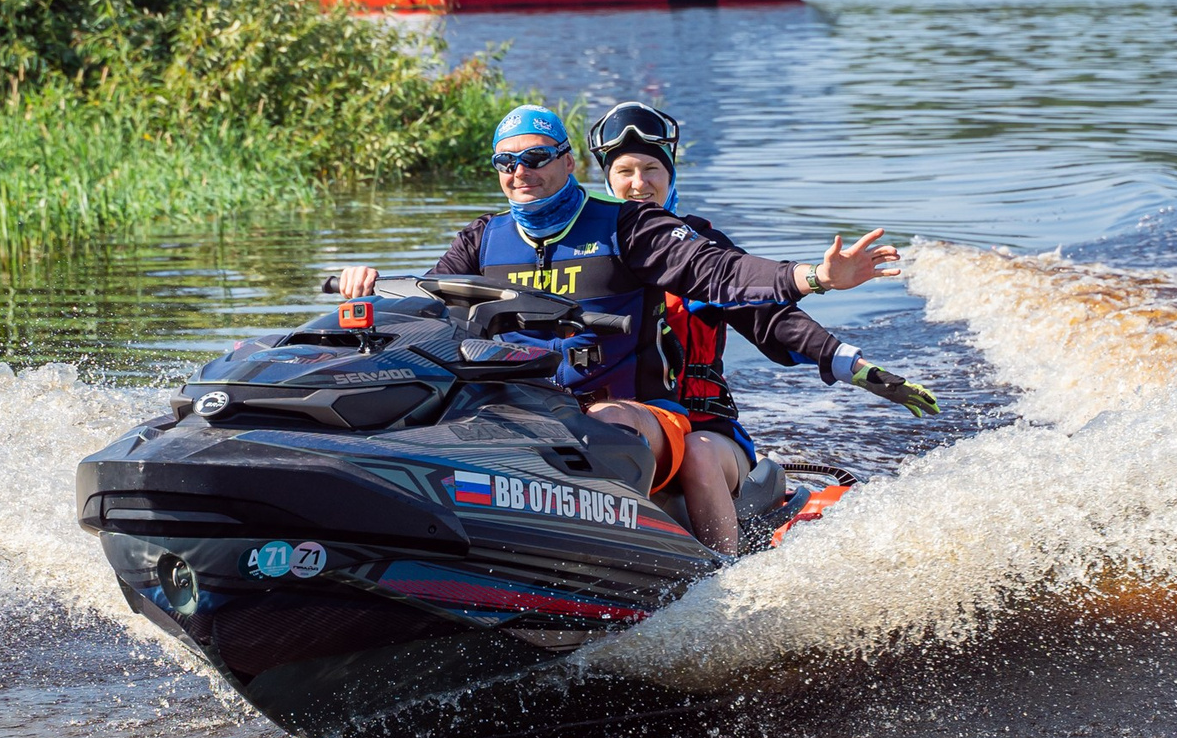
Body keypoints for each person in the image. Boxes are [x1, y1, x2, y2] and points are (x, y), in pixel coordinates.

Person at [333, 104, 893, 554]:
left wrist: (817, 279)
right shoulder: (482, 239)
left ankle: (719, 585)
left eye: (534, 158)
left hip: (640, 416)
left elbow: (727, 279)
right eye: (506, 163)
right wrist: (372, 294)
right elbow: (429, 310)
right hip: (521, 410)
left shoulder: (633, 228)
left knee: (605, 421)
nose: (519, 172)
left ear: (567, 161)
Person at [584, 102, 938, 518]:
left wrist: (855, 367)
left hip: (702, 432)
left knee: (697, 453)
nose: (639, 183)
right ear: (607, 180)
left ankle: (722, 575)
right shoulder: (585, 257)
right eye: (625, 171)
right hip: (612, 425)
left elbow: (767, 317)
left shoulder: (701, 253)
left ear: (671, 174)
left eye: (651, 169)